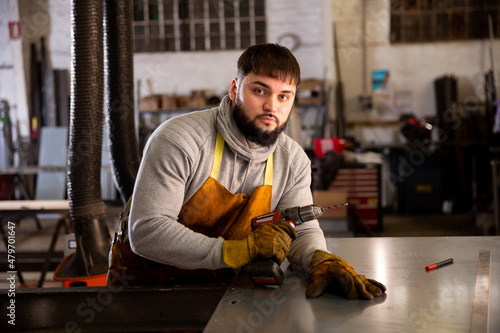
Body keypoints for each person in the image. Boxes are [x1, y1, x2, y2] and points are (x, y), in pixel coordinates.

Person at [108, 43, 386, 299]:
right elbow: (147, 231)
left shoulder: (293, 160)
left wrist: (319, 259)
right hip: (150, 293)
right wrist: (236, 251)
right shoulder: (180, 138)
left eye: (284, 96)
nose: (271, 106)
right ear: (234, 89)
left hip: (229, 295)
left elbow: (300, 231)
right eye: (259, 91)